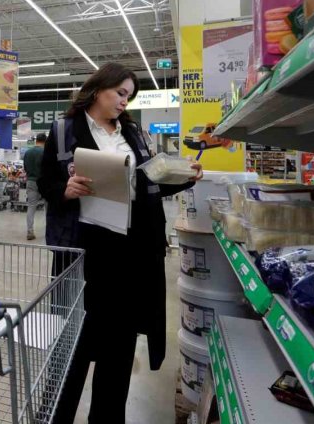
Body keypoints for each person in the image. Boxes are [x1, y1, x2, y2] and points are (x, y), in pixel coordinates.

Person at [37, 63, 203, 423]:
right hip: (84, 252)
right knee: (73, 345)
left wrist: (184, 177)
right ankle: (55, 416)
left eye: (129, 96)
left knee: (119, 346)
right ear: (99, 89)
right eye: (120, 93)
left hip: (130, 253)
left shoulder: (133, 133)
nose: (124, 102)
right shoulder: (65, 131)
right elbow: (45, 183)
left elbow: (149, 184)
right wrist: (63, 190)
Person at [22, 133, 47, 240]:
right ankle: (49, 230)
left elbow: (25, 168)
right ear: (45, 141)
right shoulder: (45, 152)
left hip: (31, 181)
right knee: (48, 208)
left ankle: (30, 231)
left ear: (36, 140)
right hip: (45, 182)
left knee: (31, 207)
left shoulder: (27, 153)